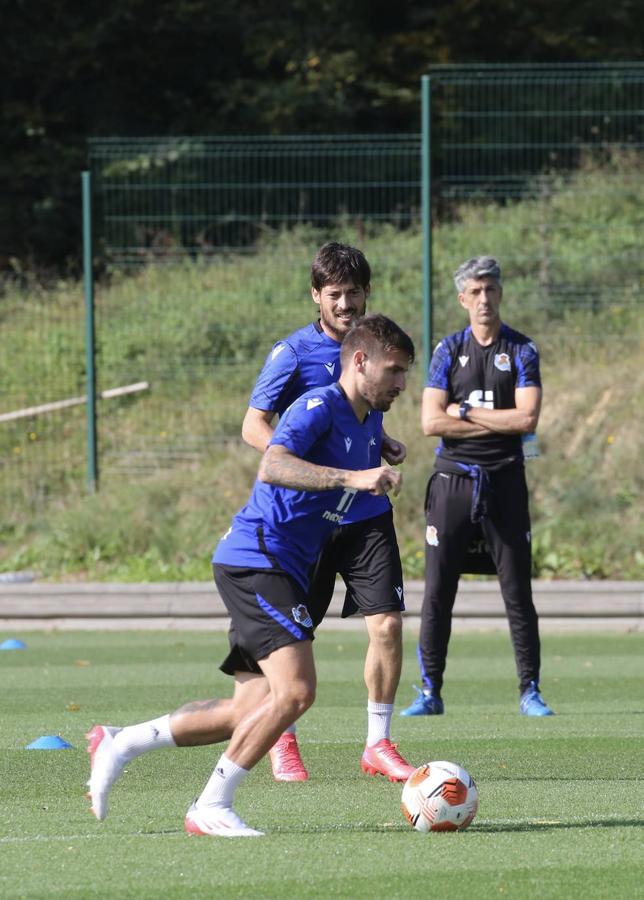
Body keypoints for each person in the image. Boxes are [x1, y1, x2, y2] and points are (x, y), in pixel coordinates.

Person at [86, 314, 415, 837]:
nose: (401, 384)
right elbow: (274, 465)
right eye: (394, 371)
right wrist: (354, 476)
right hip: (259, 560)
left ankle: (121, 741)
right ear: (360, 362)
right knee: (298, 691)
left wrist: (376, 451)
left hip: (276, 563)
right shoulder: (318, 405)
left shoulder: (363, 419)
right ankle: (211, 804)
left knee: (249, 707)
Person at [240, 241, 413, 782]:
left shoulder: (376, 348)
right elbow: (254, 428)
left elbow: (358, 415)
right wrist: (315, 470)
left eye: (354, 293)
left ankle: (378, 743)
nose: (345, 304)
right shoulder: (291, 354)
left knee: (386, 623)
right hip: (310, 520)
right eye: (334, 294)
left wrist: (379, 442)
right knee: (294, 637)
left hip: (364, 515)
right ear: (316, 296)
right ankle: (281, 738)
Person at [400, 256, 554, 718]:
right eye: (476, 291)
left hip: (505, 482)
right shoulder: (447, 351)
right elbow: (429, 421)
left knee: (517, 592)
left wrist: (464, 414)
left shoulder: (523, 351)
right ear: (462, 298)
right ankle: (430, 691)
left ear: (500, 293)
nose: (484, 298)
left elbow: (526, 419)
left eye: (491, 289)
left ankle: (530, 690)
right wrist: (493, 423)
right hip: (452, 484)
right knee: (437, 591)